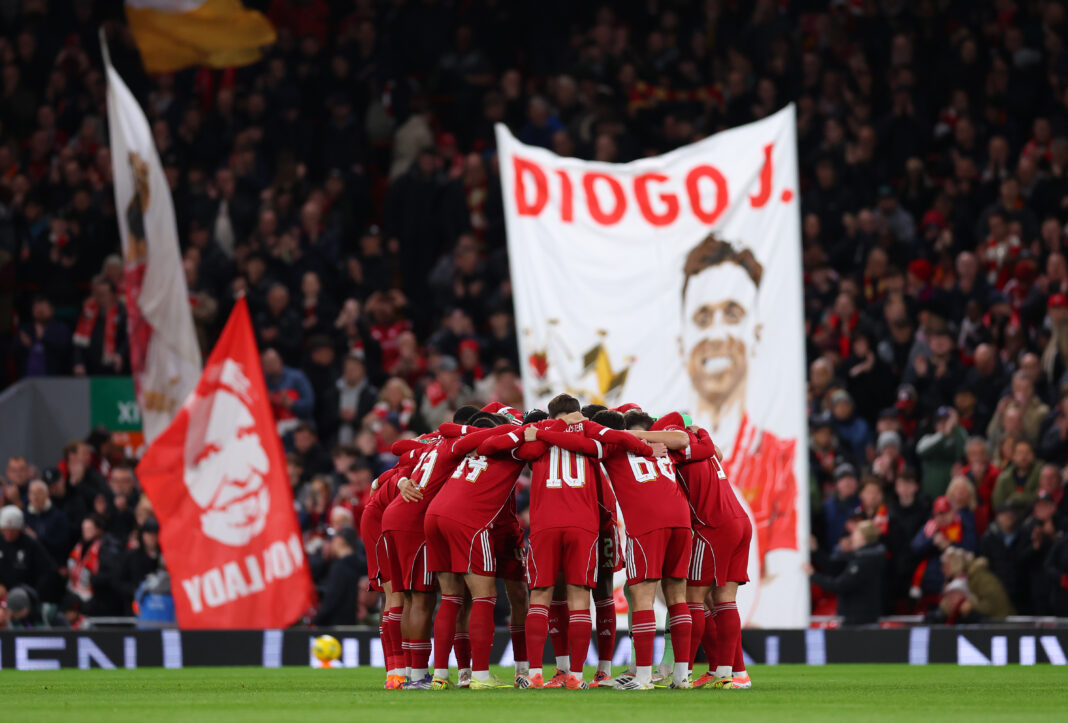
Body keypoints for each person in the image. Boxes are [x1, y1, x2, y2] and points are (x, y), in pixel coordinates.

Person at [678, 233, 799, 615]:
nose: (716, 333)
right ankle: (718, 671)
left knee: (715, 598)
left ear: (756, 333)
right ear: (681, 339)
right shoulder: (659, 452)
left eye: (732, 314)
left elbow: (784, 582)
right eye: (702, 317)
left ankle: (719, 670)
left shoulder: (780, 459)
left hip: (736, 607)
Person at [422, 408, 542, 689]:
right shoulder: (513, 445)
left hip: (435, 515)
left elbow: (450, 428)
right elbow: (529, 447)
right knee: (485, 596)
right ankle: (480, 675)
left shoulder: (465, 447)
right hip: (469, 522)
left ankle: (441, 676)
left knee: (451, 598)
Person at [804, 520, 886, 624]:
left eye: (855, 534)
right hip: (859, 619)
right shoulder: (862, 557)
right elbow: (834, 567)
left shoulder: (864, 562)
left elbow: (839, 585)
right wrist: (816, 551)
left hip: (860, 622)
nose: (851, 538)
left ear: (863, 538)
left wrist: (813, 575)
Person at [0, 505, 56, 602]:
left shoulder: (31, 544)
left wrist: (32, 594)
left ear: (20, 529)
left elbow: (47, 571)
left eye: (12, 530)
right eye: (5, 529)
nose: (8, 533)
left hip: (24, 596)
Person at [313, 526, 366, 626]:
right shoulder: (363, 565)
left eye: (333, 540)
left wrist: (316, 620)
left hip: (335, 626)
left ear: (340, 541)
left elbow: (331, 599)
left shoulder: (339, 567)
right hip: (353, 625)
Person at [916, 406, 968, 498]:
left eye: (947, 421)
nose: (944, 424)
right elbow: (920, 451)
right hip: (930, 495)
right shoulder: (928, 439)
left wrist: (955, 429)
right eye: (940, 421)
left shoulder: (959, 437)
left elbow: (965, 451)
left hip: (954, 494)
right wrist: (944, 434)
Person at [992, 440, 1042, 509]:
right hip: (1010, 515)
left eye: (1027, 453)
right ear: (1013, 456)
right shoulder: (1004, 478)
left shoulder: (1042, 474)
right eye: (1020, 453)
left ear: (1033, 455)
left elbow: (1041, 496)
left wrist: (1014, 498)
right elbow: (998, 504)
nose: (1024, 457)